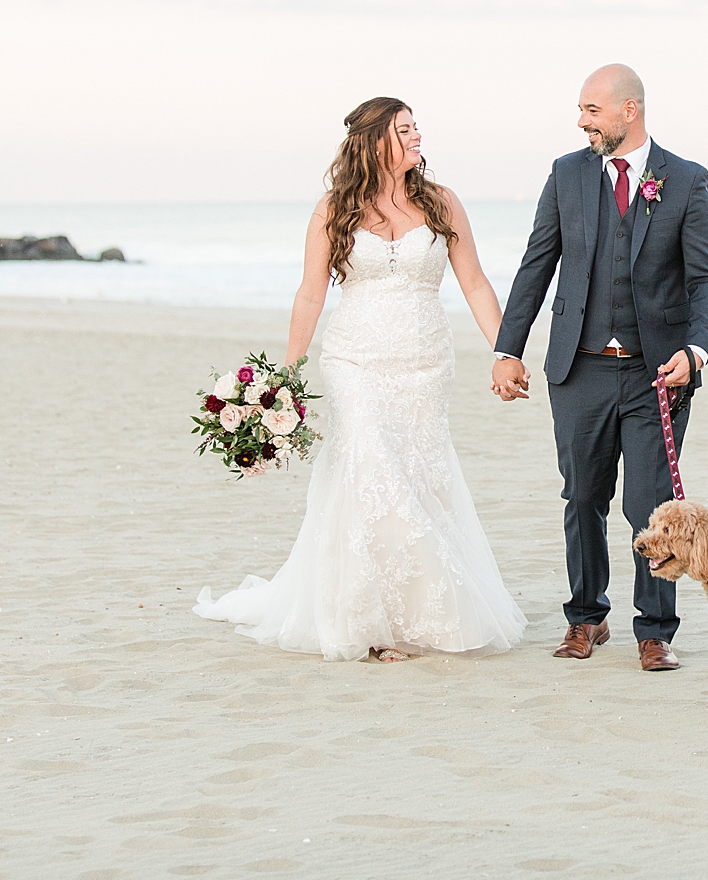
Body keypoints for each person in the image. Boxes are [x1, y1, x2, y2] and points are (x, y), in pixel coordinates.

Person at [194, 97, 527, 662]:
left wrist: (505, 350)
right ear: (375, 141)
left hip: (425, 365)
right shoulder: (334, 209)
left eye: (417, 127)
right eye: (405, 129)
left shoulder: (442, 203)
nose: (418, 136)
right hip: (353, 361)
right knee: (369, 471)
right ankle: (367, 623)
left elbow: (473, 281)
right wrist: (286, 377)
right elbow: (310, 292)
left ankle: (413, 614)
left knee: (419, 476)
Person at [492, 64, 708, 672]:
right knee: (583, 497)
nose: (581, 121)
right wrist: (507, 348)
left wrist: (696, 350)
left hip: (657, 372)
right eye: (581, 110)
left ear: (630, 110)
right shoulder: (567, 174)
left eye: (591, 110)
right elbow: (536, 263)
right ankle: (586, 621)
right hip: (579, 369)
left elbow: (707, 278)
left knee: (653, 504)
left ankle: (654, 630)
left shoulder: (686, 180)